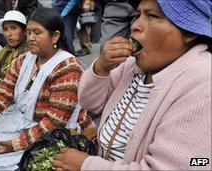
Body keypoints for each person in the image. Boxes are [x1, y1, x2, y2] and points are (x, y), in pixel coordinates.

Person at [53, 0, 211, 170]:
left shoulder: (203, 83)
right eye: (137, 15)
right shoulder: (130, 65)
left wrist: (87, 165)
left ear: (189, 31)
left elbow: (190, 164)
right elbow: (89, 103)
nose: (135, 25)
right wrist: (101, 68)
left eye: (152, 16)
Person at [0, 8, 93, 170]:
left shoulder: (67, 68)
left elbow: (55, 121)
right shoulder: (24, 60)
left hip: (57, 132)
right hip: (25, 120)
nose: (31, 38)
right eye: (28, 33)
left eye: (37, 32)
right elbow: (4, 92)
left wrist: (17, 143)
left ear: (55, 36)